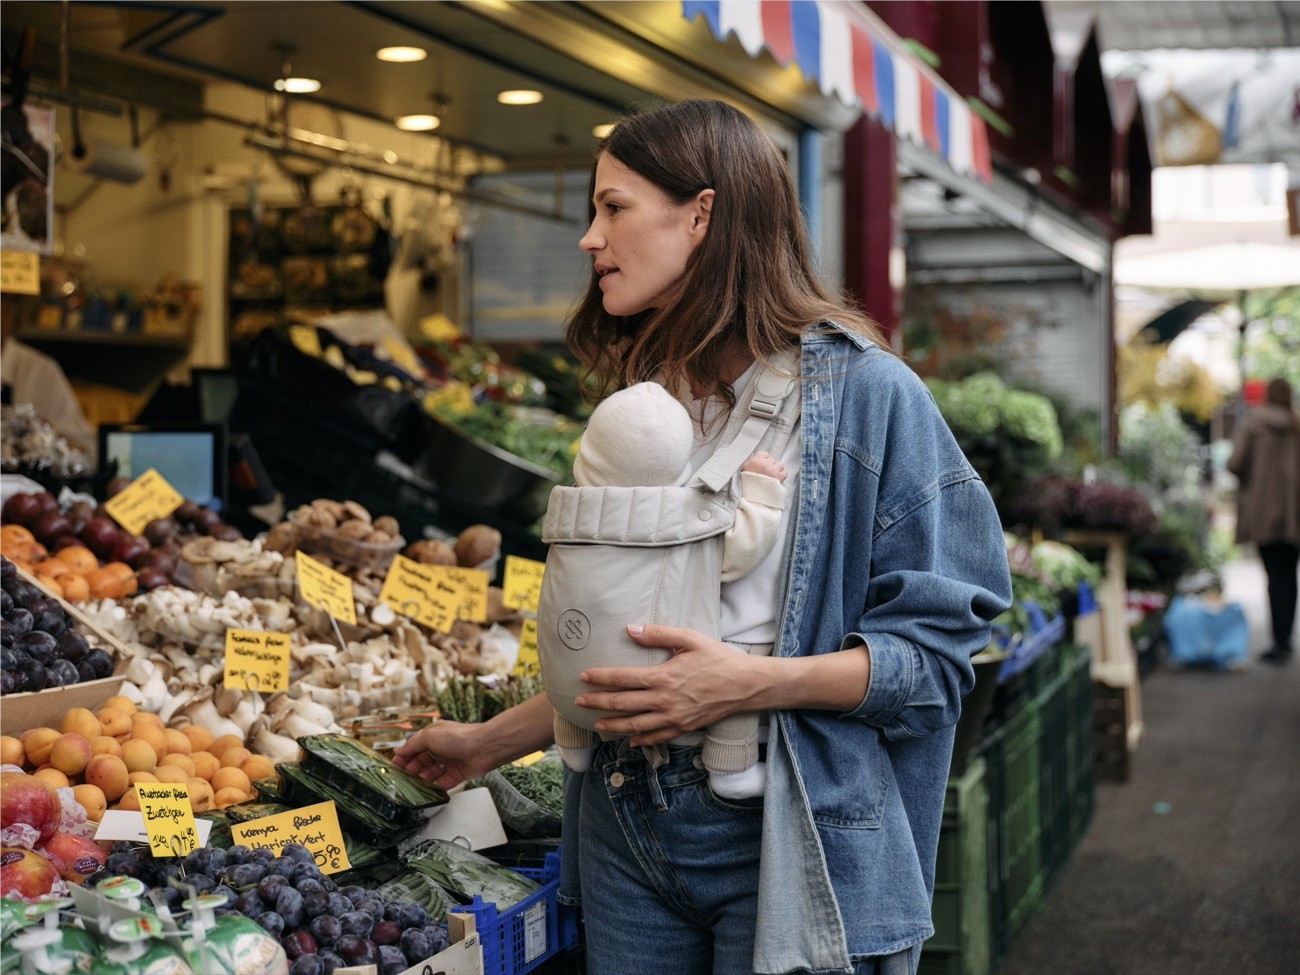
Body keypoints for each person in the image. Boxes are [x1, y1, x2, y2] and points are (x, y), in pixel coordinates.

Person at [395, 98, 1012, 975]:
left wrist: (747, 682)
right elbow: (636, 650)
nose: (590, 238)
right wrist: (487, 742)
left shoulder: (870, 399)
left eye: (613, 207)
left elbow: (934, 664)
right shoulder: (643, 408)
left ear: (702, 215)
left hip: (780, 835)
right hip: (620, 822)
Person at [545, 379, 789, 800]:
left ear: (585, 453)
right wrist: (761, 489)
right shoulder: (681, 521)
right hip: (655, 685)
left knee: (571, 654)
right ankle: (731, 771)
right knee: (738, 663)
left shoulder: (567, 513)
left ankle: (574, 747)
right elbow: (741, 550)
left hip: (568, 687)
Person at [1227, 377, 1300, 663]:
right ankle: (1285, 639)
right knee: (1289, 576)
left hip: (1264, 512)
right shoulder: (1296, 425)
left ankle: (1279, 642)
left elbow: (1235, 463)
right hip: (1295, 516)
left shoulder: (1254, 424)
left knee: (1274, 576)